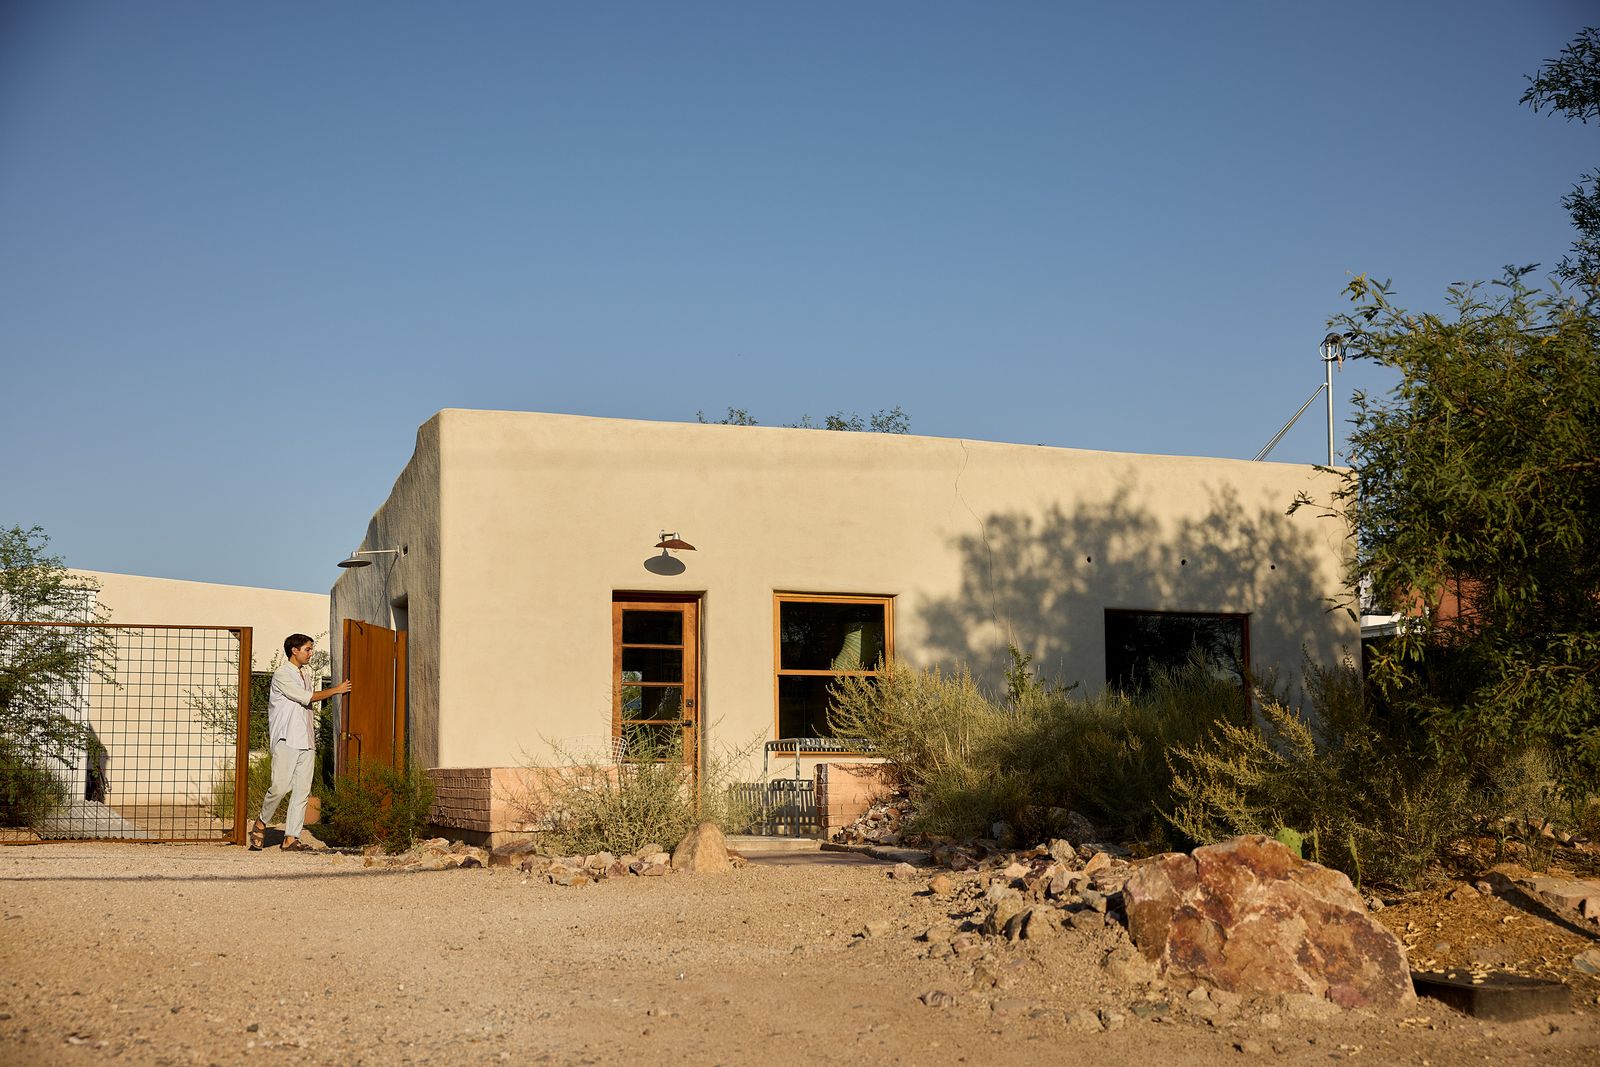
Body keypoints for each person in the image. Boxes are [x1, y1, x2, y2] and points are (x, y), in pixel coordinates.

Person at [249, 633, 352, 852]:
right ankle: (261, 821)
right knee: (280, 787)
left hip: (306, 739)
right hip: (287, 739)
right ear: (294, 650)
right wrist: (336, 690)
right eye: (307, 649)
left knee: (302, 791)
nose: (311, 653)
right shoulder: (282, 675)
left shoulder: (305, 673)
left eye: (311, 649)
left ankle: (290, 838)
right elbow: (306, 697)